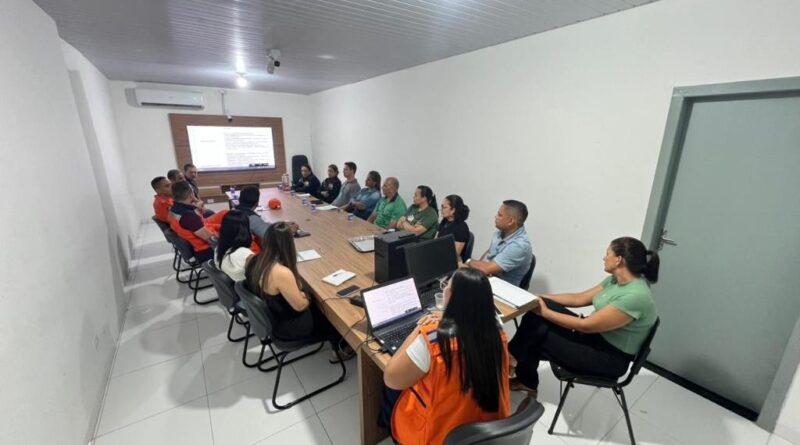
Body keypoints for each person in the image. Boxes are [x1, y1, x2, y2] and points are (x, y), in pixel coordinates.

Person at [507, 237, 659, 397]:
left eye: (607, 253)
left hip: (608, 358)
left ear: (618, 260)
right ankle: (512, 359)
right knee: (539, 310)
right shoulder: (615, 280)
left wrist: (544, 312)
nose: (604, 257)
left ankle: (512, 362)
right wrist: (539, 297)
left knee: (537, 331)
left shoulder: (635, 296)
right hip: (594, 339)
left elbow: (586, 326)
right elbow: (578, 298)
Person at [381, 268, 511, 445]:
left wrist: (418, 330)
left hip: (441, 435)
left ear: (452, 297)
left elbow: (391, 378)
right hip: (488, 428)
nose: (443, 289)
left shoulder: (434, 340)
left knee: (391, 390)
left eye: (445, 286)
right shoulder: (498, 331)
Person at [244, 222, 351, 361]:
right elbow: (301, 306)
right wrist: (306, 296)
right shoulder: (280, 272)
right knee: (332, 312)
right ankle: (341, 349)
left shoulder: (255, 260)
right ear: (288, 244)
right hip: (290, 327)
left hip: (276, 317)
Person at [468, 200, 532, 286]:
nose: (496, 217)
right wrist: (476, 268)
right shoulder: (500, 233)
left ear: (510, 221)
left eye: (499, 215)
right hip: (487, 279)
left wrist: (468, 261)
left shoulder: (519, 246)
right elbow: (488, 253)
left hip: (502, 289)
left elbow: (486, 269)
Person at [168, 181, 215, 262]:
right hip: (206, 251)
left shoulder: (173, 209)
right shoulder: (189, 216)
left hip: (195, 246)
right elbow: (211, 239)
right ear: (191, 195)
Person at [216, 210, 255, 282]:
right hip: (248, 287)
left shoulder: (218, 249)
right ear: (245, 229)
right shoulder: (245, 254)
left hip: (236, 286)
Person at [436, 195, 470, 259]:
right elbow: (435, 240)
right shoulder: (444, 221)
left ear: (453, 210)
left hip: (450, 260)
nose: (441, 210)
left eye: (444, 207)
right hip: (439, 255)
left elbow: (455, 255)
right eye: (441, 207)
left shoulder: (461, 228)